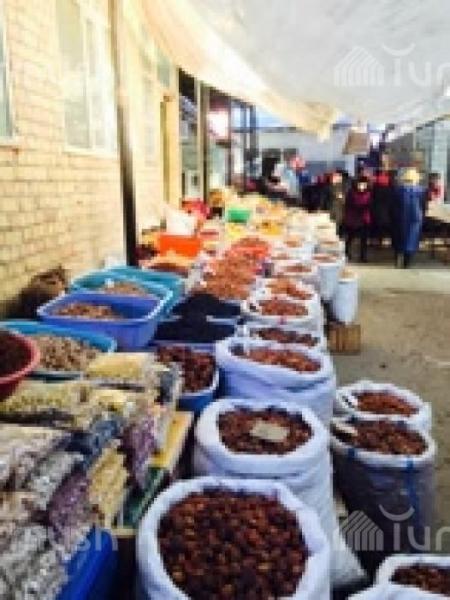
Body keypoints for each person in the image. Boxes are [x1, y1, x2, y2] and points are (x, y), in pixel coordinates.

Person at [392, 167, 426, 268]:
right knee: (412, 240)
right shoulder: (421, 191)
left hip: (400, 218)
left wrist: (392, 216)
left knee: (399, 238)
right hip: (415, 218)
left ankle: (397, 258)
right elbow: (423, 206)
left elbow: (393, 206)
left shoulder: (397, 190)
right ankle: (407, 263)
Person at [344, 175, 372, 262]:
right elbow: (348, 205)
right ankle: (346, 253)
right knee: (350, 237)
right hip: (353, 219)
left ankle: (363, 256)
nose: (362, 186)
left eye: (364, 184)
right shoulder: (351, 193)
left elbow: (371, 205)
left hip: (364, 219)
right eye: (360, 184)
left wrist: (366, 208)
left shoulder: (369, 193)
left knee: (364, 239)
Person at [371, 168, 392, 245]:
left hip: (378, 210)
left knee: (378, 224)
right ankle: (382, 239)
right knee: (384, 224)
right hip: (386, 210)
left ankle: (377, 239)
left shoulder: (375, 188)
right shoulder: (390, 189)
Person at [327, 171, 345, 235]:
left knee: (338, 224)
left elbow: (342, 197)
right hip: (335, 208)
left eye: (339, 176)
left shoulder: (341, 186)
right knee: (336, 223)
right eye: (335, 176)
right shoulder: (332, 186)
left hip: (339, 209)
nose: (339, 178)